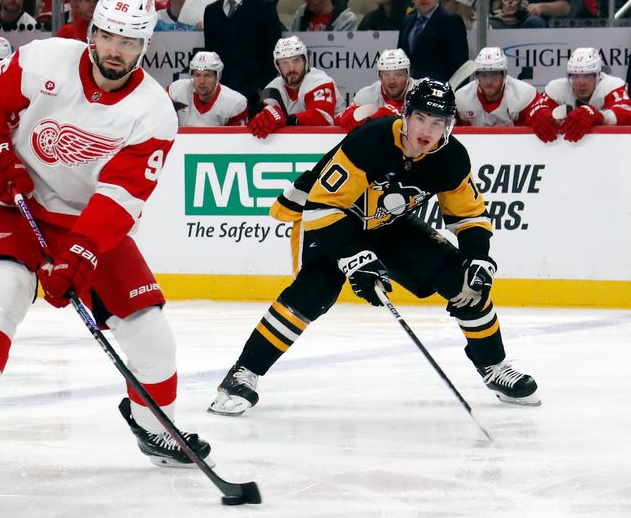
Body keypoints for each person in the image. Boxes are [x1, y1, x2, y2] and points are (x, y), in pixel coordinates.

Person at [0, 0, 212, 475]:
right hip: (18, 205)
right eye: (108, 36)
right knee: (0, 292)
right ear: (92, 32)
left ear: (145, 46)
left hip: (89, 223)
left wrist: (78, 257)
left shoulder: (154, 112)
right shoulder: (46, 58)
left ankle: (157, 429)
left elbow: (119, 199)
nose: (115, 51)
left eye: (129, 42)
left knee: (154, 339)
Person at [208, 78, 541, 417]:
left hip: (388, 225)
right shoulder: (372, 140)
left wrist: (478, 257)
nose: (427, 130)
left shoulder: (451, 158)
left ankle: (494, 366)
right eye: (421, 119)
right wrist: (354, 257)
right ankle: (242, 373)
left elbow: (469, 216)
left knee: (466, 280)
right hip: (332, 221)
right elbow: (322, 207)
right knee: (314, 292)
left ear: (448, 126)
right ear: (406, 116)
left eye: (438, 122)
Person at [203, 0, 283, 116]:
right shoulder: (211, 12)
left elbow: (273, 56)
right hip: (221, 97)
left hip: (256, 96)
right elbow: (212, 56)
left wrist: (260, 91)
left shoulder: (264, 8)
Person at [249, 36, 345, 139]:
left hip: (332, 144)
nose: (291, 68)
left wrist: (285, 120)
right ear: (278, 66)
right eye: (285, 63)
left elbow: (322, 119)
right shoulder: (271, 89)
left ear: (305, 61)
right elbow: (263, 118)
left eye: (296, 61)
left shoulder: (320, 81)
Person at [454, 47, 557, 142]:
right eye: (483, 75)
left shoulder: (524, 94)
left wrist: (539, 114)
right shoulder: (460, 99)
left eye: (494, 75)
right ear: (477, 76)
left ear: (504, 75)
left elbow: (539, 111)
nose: (489, 82)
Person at [537, 47, 631, 143]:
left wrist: (600, 116)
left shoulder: (612, 86)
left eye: (587, 76)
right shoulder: (556, 89)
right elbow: (537, 110)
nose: (581, 83)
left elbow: (628, 115)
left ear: (598, 75)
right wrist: (541, 116)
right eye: (575, 76)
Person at [398, 0, 468, 82]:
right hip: (410, 92)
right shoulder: (406, 21)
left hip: (440, 92)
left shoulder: (451, 21)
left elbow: (460, 67)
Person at [335, 49, 416, 132]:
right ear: (380, 77)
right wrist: (350, 116)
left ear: (408, 75)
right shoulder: (366, 96)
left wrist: (398, 116)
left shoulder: (421, 91)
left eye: (398, 75)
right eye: (386, 75)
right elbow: (339, 122)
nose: (392, 81)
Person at [167, 51, 248, 126]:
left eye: (207, 75)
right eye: (198, 75)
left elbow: (236, 140)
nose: (202, 81)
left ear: (217, 76)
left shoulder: (235, 103)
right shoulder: (177, 90)